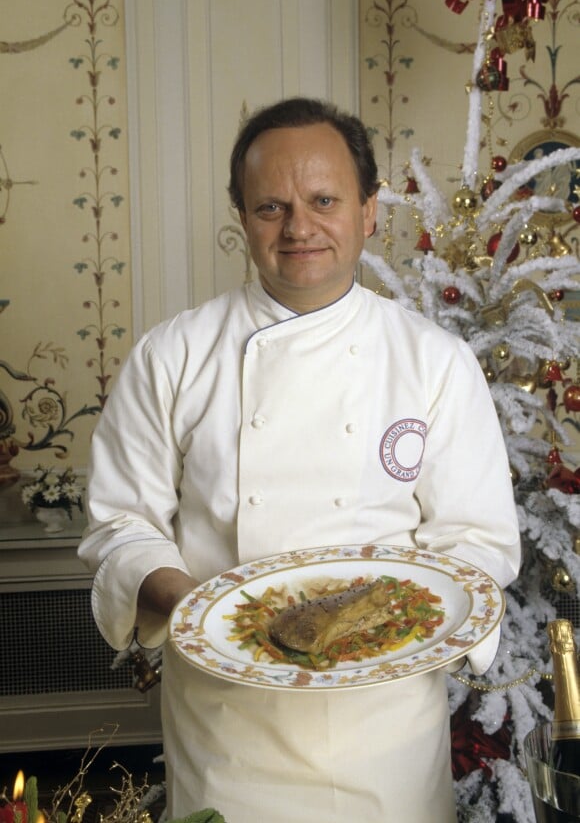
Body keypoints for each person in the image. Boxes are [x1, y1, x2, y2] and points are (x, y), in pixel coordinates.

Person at [79, 97, 521, 823]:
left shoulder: (435, 362)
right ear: (240, 215)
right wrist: (204, 613)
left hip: (387, 731)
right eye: (270, 208)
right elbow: (120, 526)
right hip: (230, 729)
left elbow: (478, 541)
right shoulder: (173, 356)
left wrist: (394, 630)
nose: (299, 228)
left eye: (324, 200)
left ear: (370, 210)